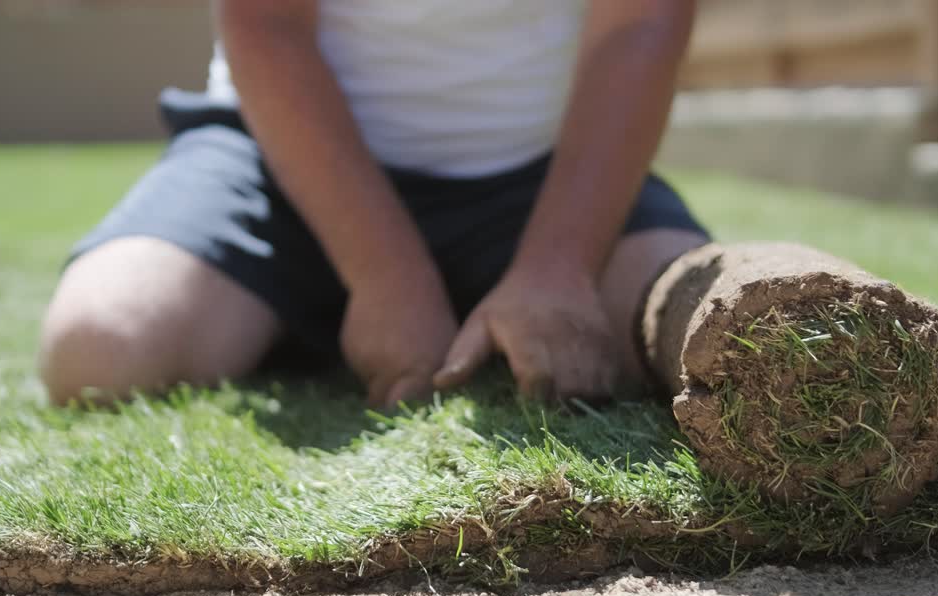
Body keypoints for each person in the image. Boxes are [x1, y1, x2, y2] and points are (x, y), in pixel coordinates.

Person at [40, 0, 710, 408]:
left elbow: (642, 22)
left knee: (712, 345)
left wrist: (559, 266)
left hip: (539, 171)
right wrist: (387, 274)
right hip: (279, 156)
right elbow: (266, 21)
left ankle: (486, 299)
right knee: (98, 349)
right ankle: (353, 314)